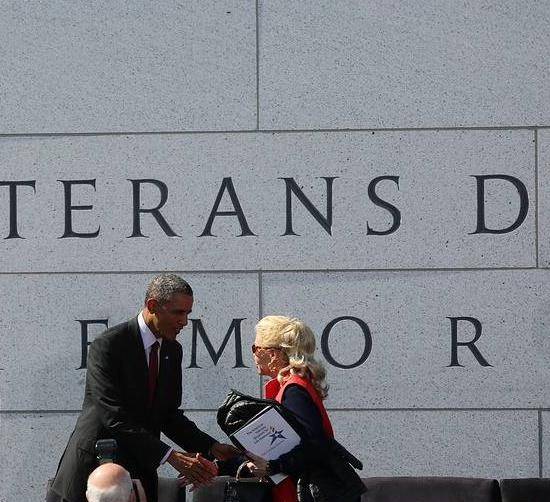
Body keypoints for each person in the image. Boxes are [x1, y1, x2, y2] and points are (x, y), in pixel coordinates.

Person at [46, 274, 237, 502]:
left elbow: (168, 415)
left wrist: (212, 447)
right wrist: (170, 456)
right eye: (178, 312)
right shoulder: (109, 345)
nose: (184, 322)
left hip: (139, 471)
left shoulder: (172, 350)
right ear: (152, 306)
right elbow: (113, 416)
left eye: (188, 313)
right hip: (97, 470)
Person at [245, 315, 364, 502]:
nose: (253, 354)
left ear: (273, 353)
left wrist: (272, 467)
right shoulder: (295, 386)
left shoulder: (293, 390)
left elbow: (315, 444)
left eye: (255, 348)